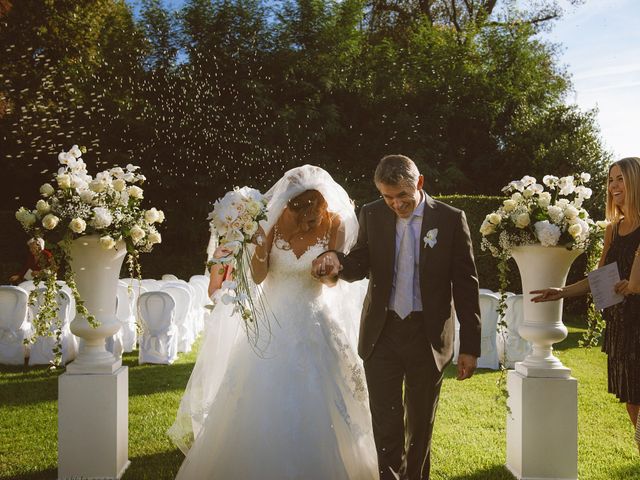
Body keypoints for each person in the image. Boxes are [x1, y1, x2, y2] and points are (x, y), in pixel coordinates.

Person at [168, 165, 378, 479]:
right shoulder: (271, 223)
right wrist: (257, 243)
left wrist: (327, 271)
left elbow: (334, 281)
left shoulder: (335, 223)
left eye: (306, 207)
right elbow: (258, 276)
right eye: (293, 207)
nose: (298, 214)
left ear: (319, 202)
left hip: (315, 319)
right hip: (272, 321)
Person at [313, 154, 481, 480]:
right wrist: (338, 262)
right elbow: (361, 262)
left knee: (419, 427)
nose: (395, 204)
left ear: (419, 183)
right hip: (382, 334)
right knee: (386, 425)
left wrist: (470, 346)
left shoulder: (449, 219)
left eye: (402, 196)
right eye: (388, 197)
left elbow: (465, 285)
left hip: (427, 335)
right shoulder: (373, 214)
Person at [532, 156, 640, 448]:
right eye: (611, 180)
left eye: (621, 179)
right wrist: (562, 291)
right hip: (621, 326)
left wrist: (634, 286)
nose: (614, 186)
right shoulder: (613, 229)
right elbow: (601, 278)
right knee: (633, 402)